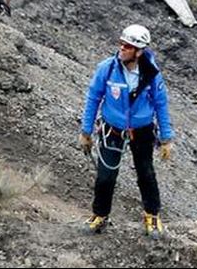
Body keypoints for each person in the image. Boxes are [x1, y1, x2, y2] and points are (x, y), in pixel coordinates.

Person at [79, 24, 174, 239]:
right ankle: (100, 215)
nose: (121, 48)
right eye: (121, 44)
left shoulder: (152, 74)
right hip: (112, 130)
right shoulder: (108, 68)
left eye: (127, 46)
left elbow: (161, 104)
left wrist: (166, 138)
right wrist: (86, 132)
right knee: (105, 176)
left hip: (142, 131)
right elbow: (93, 98)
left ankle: (152, 215)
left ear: (139, 51)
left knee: (146, 174)